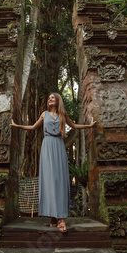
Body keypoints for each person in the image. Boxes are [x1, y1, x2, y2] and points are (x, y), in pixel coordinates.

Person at [10, 92, 96, 233]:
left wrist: (89, 126)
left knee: (59, 180)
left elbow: (74, 126)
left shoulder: (63, 114)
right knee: (49, 180)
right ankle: (54, 216)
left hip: (59, 146)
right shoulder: (44, 114)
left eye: (52, 98)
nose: (50, 99)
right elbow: (32, 127)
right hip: (47, 146)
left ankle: (60, 217)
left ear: (57, 101)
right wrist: (17, 125)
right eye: (49, 98)